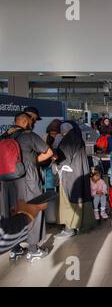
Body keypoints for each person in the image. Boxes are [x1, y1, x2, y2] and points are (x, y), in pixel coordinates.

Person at [2, 112, 53, 262]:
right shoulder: (28, 135)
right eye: (31, 121)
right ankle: (33, 250)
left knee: (12, 213)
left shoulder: (4, 136)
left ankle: (15, 249)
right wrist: (32, 160)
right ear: (25, 122)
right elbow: (48, 152)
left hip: (7, 182)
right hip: (28, 180)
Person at [53, 121, 96, 238]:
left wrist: (56, 164)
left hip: (69, 175)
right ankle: (82, 224)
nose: (61, 133)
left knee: (68, 200)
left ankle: (69, 228)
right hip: (80, 173)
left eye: (62, 131)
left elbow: (64, 159)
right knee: (81, 198)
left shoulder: (67, 140)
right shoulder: (78, 138)